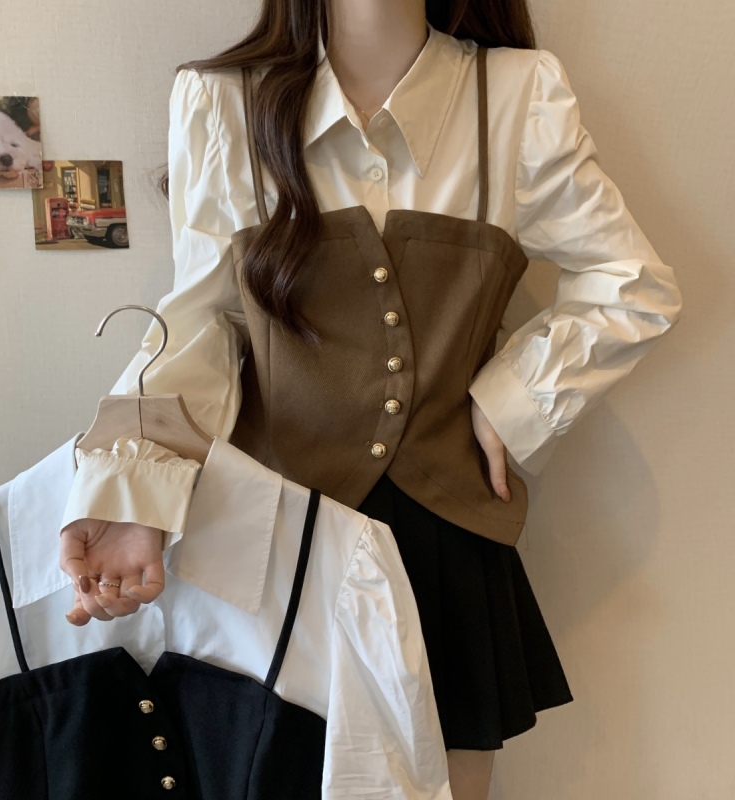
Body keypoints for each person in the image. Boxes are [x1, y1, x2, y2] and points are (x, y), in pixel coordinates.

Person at [58, 1, 683, 798]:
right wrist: (135, 490)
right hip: (277, 539)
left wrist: (512, 401)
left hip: (446, 547)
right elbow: (203, 322)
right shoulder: (224, 101)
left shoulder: (517, 93)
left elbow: (634, 283)